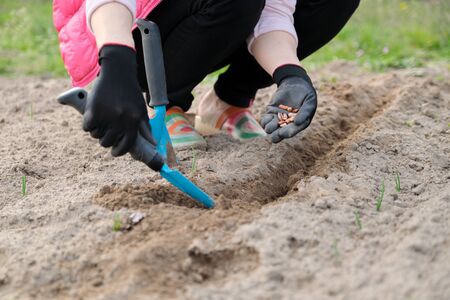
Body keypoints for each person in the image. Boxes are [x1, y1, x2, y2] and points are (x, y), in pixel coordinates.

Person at [53, 0, 359, 155]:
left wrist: (290, 74)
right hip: (126, 28)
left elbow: (274, 11)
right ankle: (164, 103)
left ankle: (228, 100)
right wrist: (116, 59)